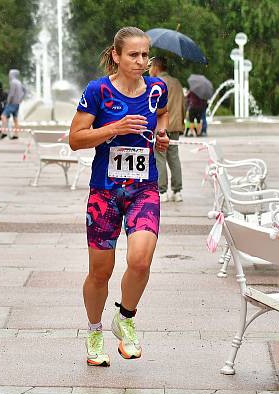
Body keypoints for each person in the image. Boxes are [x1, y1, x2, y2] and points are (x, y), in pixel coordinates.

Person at [69, 26, 169, 367]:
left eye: (146, 55)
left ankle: (125, 317)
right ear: (116, 55)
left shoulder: (157, 88)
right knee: (101, 271)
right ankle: (94, 332)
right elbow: (76, 138)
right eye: (134, 55)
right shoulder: (98, 91)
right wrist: (114, 128)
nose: (141, 62)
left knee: (140, 260)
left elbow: (161, 117)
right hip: (105, 192)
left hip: (144, 187)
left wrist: (162, 136)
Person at [149, 57, 184, 202]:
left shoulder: (156, 83)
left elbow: (153, 106)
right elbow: (183, 105)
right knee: (174, 158)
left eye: (150, 66)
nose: (149, 69)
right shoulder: (177, 83)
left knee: (160, 158)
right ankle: (177, 191)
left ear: (156, 67)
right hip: (175, 125)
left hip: (161, 125)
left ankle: (162, 191)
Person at [0, 69, 25, 140]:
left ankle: (4, 132)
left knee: (3, 116)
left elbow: (11, 93)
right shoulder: (19, 82)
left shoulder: (13, 82)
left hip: (12, 103)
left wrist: (8, 101)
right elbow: (25, 91)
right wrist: (21, 99)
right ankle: (16, 134)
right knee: (15, 119)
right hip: (17, 103)